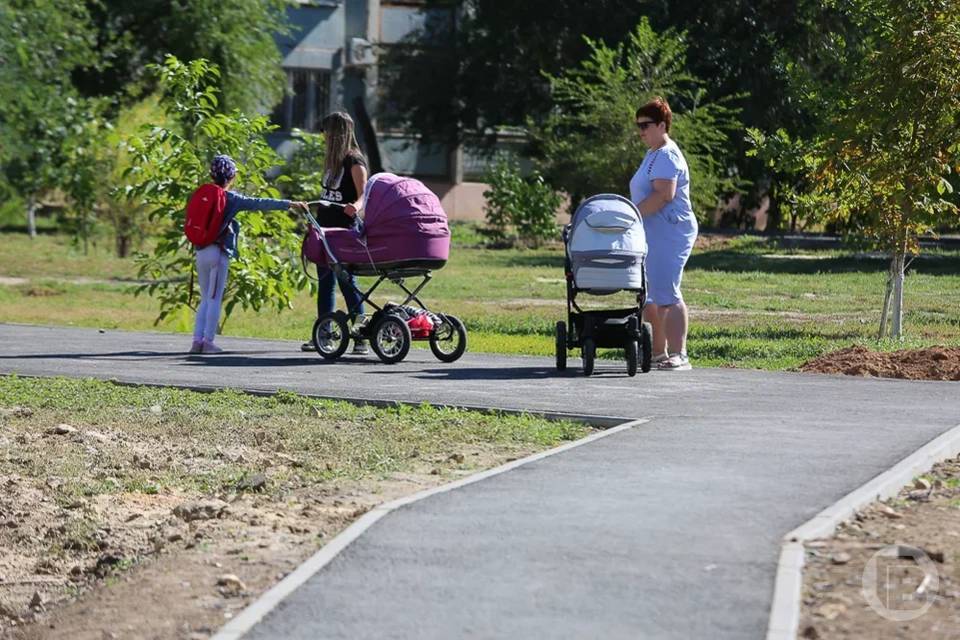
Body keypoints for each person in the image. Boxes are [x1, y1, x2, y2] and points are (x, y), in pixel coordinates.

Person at [190, 155, 305, 354]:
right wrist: (289, 203)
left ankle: (196, 341)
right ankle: (207, 343)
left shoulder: (203, 193)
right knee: (215, 298)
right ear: (232, 176)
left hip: (200, 251)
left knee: (205, 298)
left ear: (212, 174)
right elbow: (259, 202)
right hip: (218, 253)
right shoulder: (231, 199)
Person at [628, 97, 698, 371]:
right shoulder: (653, 153)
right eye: (638, 126)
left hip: (671, 231)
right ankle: (658, 353)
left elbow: (664, 195)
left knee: (668, 291)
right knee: (651, 296)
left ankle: (680, 355)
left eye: (646, 125)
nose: (641, 131)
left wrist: (630, 215)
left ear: (661, 124)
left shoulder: (667, 154)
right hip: (652, 233)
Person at [301, 111, 370, 354]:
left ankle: (361, 337)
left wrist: (357, 207)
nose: (323, 135)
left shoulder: (354, 160)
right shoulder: (332, 161)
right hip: (324, 231)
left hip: (344, 232)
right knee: (325, 283)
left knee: (347, 282)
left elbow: (364, 193)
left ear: (337, 133)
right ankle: (324, 335)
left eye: (326, 130)